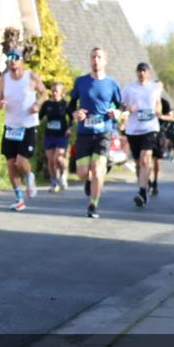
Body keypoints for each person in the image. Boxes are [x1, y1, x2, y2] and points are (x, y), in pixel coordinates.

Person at [68, 47, 122, 219]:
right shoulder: (81, 82)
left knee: (98, 169)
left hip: (104, 132)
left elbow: (121, 106)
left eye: (99, 57)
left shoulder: (112, 84)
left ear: (105, 61)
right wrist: (75, 114)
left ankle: (93, 205)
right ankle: (90, 180)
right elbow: (71, 105)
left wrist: (118, 113)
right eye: (93, 57)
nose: (95, 60)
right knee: (83, 172)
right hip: (84, 132)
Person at [0, 48, 45, 211]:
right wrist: (0, 104)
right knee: (11, 165)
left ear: (22, 60)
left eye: (16, 58)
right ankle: (19, 199)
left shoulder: (31, 77)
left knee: (21, 161)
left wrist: (37, 104)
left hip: (28, 125)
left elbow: (44, 93)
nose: (12, 60)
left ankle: (29, 176)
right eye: (10, 57)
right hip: (10, 126)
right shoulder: (3, 79)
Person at [122, 62, 163, 207]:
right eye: (139, 71)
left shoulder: (155, 87)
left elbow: (158, 102)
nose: (141, 73)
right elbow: (121, 105)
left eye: (144, 71)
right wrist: (128, 108)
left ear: (149, 73)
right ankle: (146, 183)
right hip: (133, 129)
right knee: (139, 163)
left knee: (146, 159)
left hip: (150, 127)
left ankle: (142, 191)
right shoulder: (129, 88)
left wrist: (158, 110)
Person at [39, 83, 72, 193]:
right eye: (53, 91)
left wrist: (70, 128)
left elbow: (72, 117)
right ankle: (53, 181)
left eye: (56, 91)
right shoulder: (47, 104)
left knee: (58, 158)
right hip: (49, 134)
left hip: (62, 134)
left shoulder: (65, 104)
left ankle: (63, 174)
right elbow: (40, 116)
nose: (54, 93)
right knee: (51, 160)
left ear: (61, 93)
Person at [150, 95, 172, 196]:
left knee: (156, 160)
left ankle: (155, 181)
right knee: (145, 159)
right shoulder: (146, 99)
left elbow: (171, 117)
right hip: (146, 132)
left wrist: (161, 116)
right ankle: (147, 181)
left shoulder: (165, 102)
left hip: (160, 133)